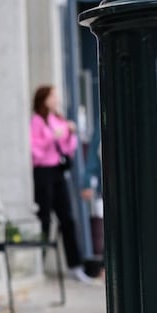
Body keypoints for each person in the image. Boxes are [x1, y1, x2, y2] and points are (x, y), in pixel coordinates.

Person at [31, 85, 96, 283]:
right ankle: (39, 262)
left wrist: (70, 134)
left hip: (59, 173)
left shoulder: (58, 118)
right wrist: (54, 136)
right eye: (53, 96)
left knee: (67, 218)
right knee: (43, 217)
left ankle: (75, 266)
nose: (57, 99)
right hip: (43, 172)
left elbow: (68, 149)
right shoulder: (37, 120)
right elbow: (35, 150)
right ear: (44, 99)